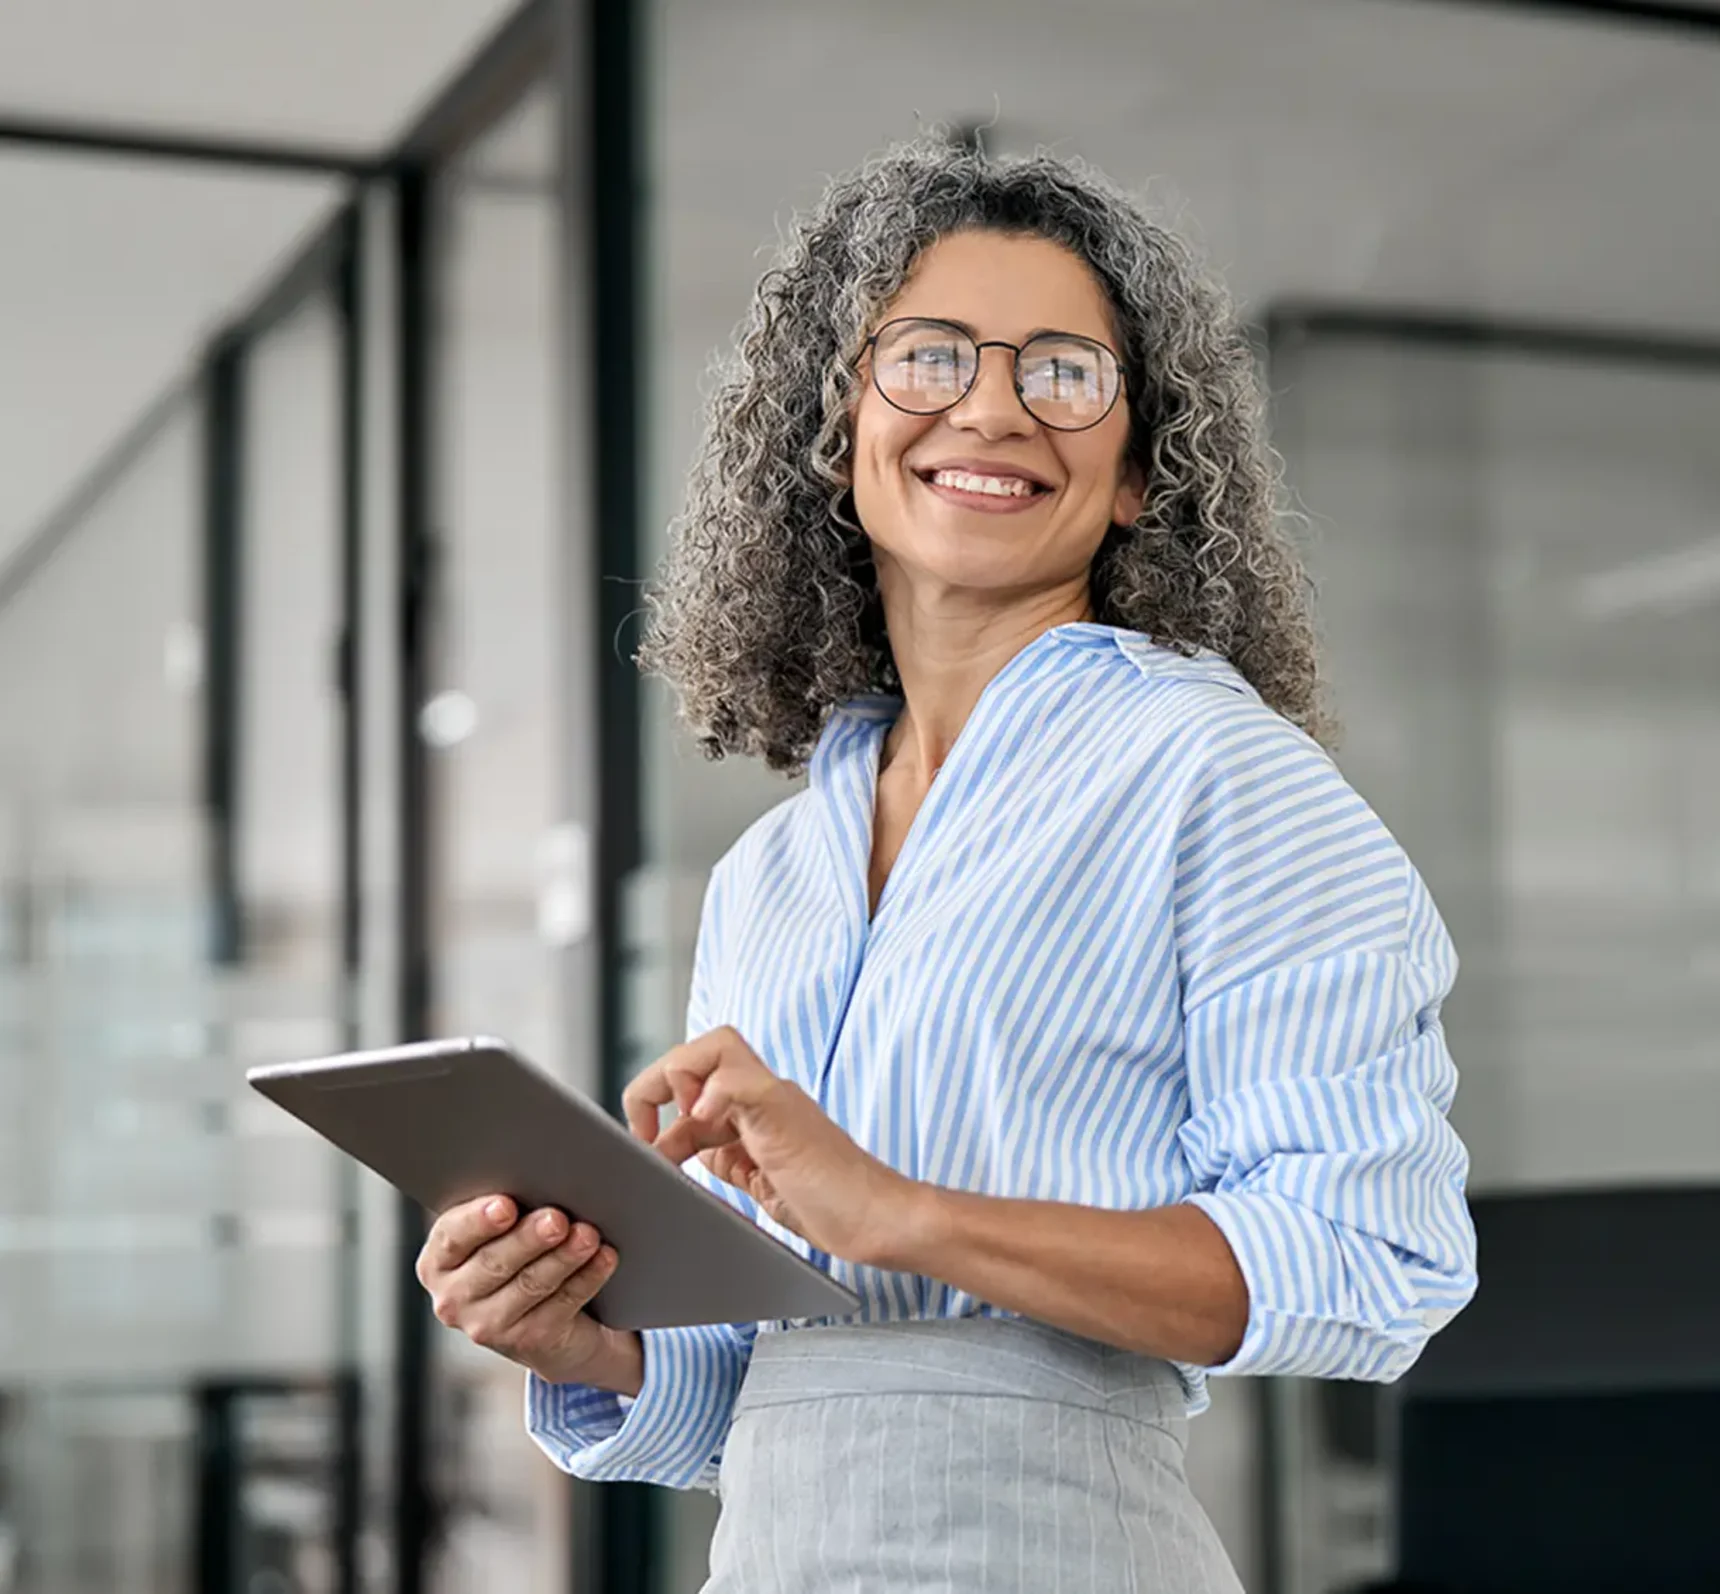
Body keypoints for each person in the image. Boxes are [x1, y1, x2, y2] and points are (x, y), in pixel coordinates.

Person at [415, 136, 1476, 1591]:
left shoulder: (1218, 776)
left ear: (1140, 472)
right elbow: (771, 1390)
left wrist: (907, 1214)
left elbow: (1372, 1259)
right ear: (836, 429)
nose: (991, 406)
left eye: (1064, 372)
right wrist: (580, 1336)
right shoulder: (773, 873)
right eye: (927, 357)